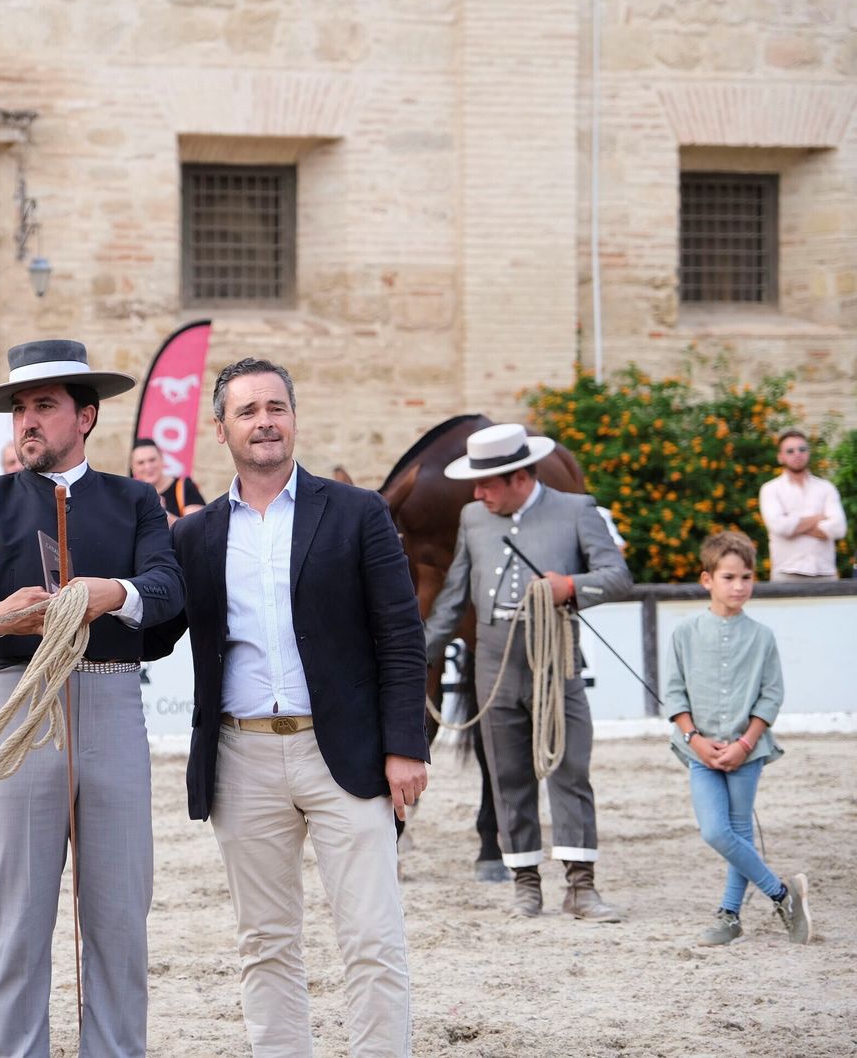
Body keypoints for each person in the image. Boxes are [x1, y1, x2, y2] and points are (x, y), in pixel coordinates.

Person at [0, 339, 184, 1058]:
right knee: (20, 918)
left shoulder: (135, 500)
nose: (27, 421)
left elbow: (168, 591)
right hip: (20, 706)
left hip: (115, 706)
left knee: (120, 917)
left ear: (85, 416)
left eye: (44, 407)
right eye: (20, 408)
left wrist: (108, 593)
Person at [146, 357, 427, 1058]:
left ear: (294, 418)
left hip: (348, 756)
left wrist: (406, 746)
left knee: (372, 937)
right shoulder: (194, 535)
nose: (264, 422)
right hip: (240, 759)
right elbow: (152, 635)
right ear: (220, 430)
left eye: (276, 407)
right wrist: (94, 584)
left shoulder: (358, 514)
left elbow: (399, 634)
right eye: (247, 411)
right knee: (265, 944)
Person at [424, 423, 631, 921]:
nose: (476, 493)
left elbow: (618, 577)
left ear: (519, 477)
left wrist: (570, 586)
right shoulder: (474, 517)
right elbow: (454, 598)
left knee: (568, 768)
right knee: (507, 775)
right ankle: (526, 884)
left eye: (486, 483)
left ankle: (581, 886)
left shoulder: (575, 510)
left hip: (554, 658)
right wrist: (416, 655)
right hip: (493, 660)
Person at [662, 530, 811, 946]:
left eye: (746, 577)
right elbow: (674, 693)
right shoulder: (684, 633)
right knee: (715, 831)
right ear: (707, 579)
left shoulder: (762, 636)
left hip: (748, 751)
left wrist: (745, 743)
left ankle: (729, 916)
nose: (739, 586)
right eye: (728, 577)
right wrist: (694, 739)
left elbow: (771, 693)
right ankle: (782, 894)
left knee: (740, 832)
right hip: (700, 751)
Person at [759, 429, 846, 582]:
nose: (797, 454)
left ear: (808, 453)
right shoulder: (770, 489)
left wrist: (794, 526)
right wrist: (819, 518)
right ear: (780, 457)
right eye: (790, 451)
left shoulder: (826, 488)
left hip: (825, 573)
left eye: (802, 449)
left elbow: (839, 528)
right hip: (786, 573)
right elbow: (780, 527)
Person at [129, 437, 205, 524]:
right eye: (141, 463)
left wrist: (160, 511)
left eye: (152, 460)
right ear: (133, 468)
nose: (148, 467)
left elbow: (195, 527)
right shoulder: (131, 496)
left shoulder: (184, 486)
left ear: (162, 459)